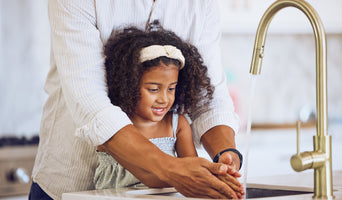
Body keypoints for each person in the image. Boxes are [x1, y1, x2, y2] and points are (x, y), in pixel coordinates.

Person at [30, 0, 242, 199]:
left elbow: (210, 98)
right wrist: (171, 169)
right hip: (67, 185)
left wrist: (226, 156)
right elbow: (91, 104)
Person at [93, 26, 243, 196]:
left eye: (171, 89)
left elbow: (193, 169)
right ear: (128, 86)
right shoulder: (114, 125)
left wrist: (218, 170)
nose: (164, 99)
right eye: (153, 89)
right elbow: (151, 175)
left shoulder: (177, 125)